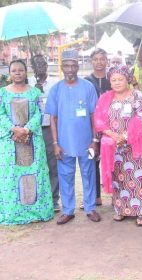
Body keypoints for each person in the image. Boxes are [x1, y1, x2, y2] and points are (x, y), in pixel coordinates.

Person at [94, 65, 142, 226]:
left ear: (127, 80)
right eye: (114, 80)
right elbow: (99, 120)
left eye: (120, 79)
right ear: (109, 81)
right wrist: (113, 135)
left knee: (140, 177)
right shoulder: (106, 98)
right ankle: (122, 209)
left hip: (137, 147)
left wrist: (125, 137)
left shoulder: (137, 96)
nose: (117, 83)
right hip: (115, 148)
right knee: (120, 178)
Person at [45, 49, 100, 225]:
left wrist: (94, 141)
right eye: (66, 65)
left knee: (89, 173)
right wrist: (55, 143)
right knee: (65, 175)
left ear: (78, 67)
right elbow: (52, 117)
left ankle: (90, 208)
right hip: (64, 143)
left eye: (73, 65)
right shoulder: (56, 89)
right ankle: (68, 210)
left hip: (87, 143)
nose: (70, 69)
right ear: (62, 68)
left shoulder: (88, 87)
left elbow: (94, 116)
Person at [0, 59, 54, 225]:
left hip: (32, 141)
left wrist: (27, 130)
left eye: (21, 70)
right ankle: (14, 213)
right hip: (10, 143)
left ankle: (36, 211)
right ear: (10, 74)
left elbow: (39, 113)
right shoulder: (2, 92)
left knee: (34, 174)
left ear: (26, 72)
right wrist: (14, 129)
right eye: (14, 70)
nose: (17, 73)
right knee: (12, 177)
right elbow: (1, 114)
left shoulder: (34, 92)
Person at [28, 54, 60, 212]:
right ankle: (37, 199)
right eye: (36, 66)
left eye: (42, 65)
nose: (39, 68)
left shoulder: (55, 84)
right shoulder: (28, 84)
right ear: (32, 68)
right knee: (35, 165)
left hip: (49, 129)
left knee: (53, 165)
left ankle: (54, 199)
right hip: (31, 131)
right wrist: (35, 92)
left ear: (47, 66)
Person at [84, 48, 111, 209]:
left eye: (102, 59)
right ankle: (94, 196)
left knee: (113, 161)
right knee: (91, 161)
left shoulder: (113, 80)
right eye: (96, 59)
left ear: (106, 61)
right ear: (91, 61)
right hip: (90, 129)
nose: (99, 62)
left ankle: (117, 195)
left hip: (110, 128)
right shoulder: (86, 81)